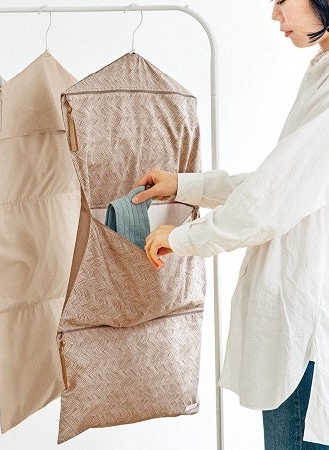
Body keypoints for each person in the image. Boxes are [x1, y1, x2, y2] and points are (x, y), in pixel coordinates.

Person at [132, 1, 329, 449]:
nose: (275, 15)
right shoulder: (320, 71)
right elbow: (277, 181)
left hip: (305, 334)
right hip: (298, 322)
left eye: (283, 0)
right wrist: (187, 186)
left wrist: (183, 237)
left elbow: (270, 200)